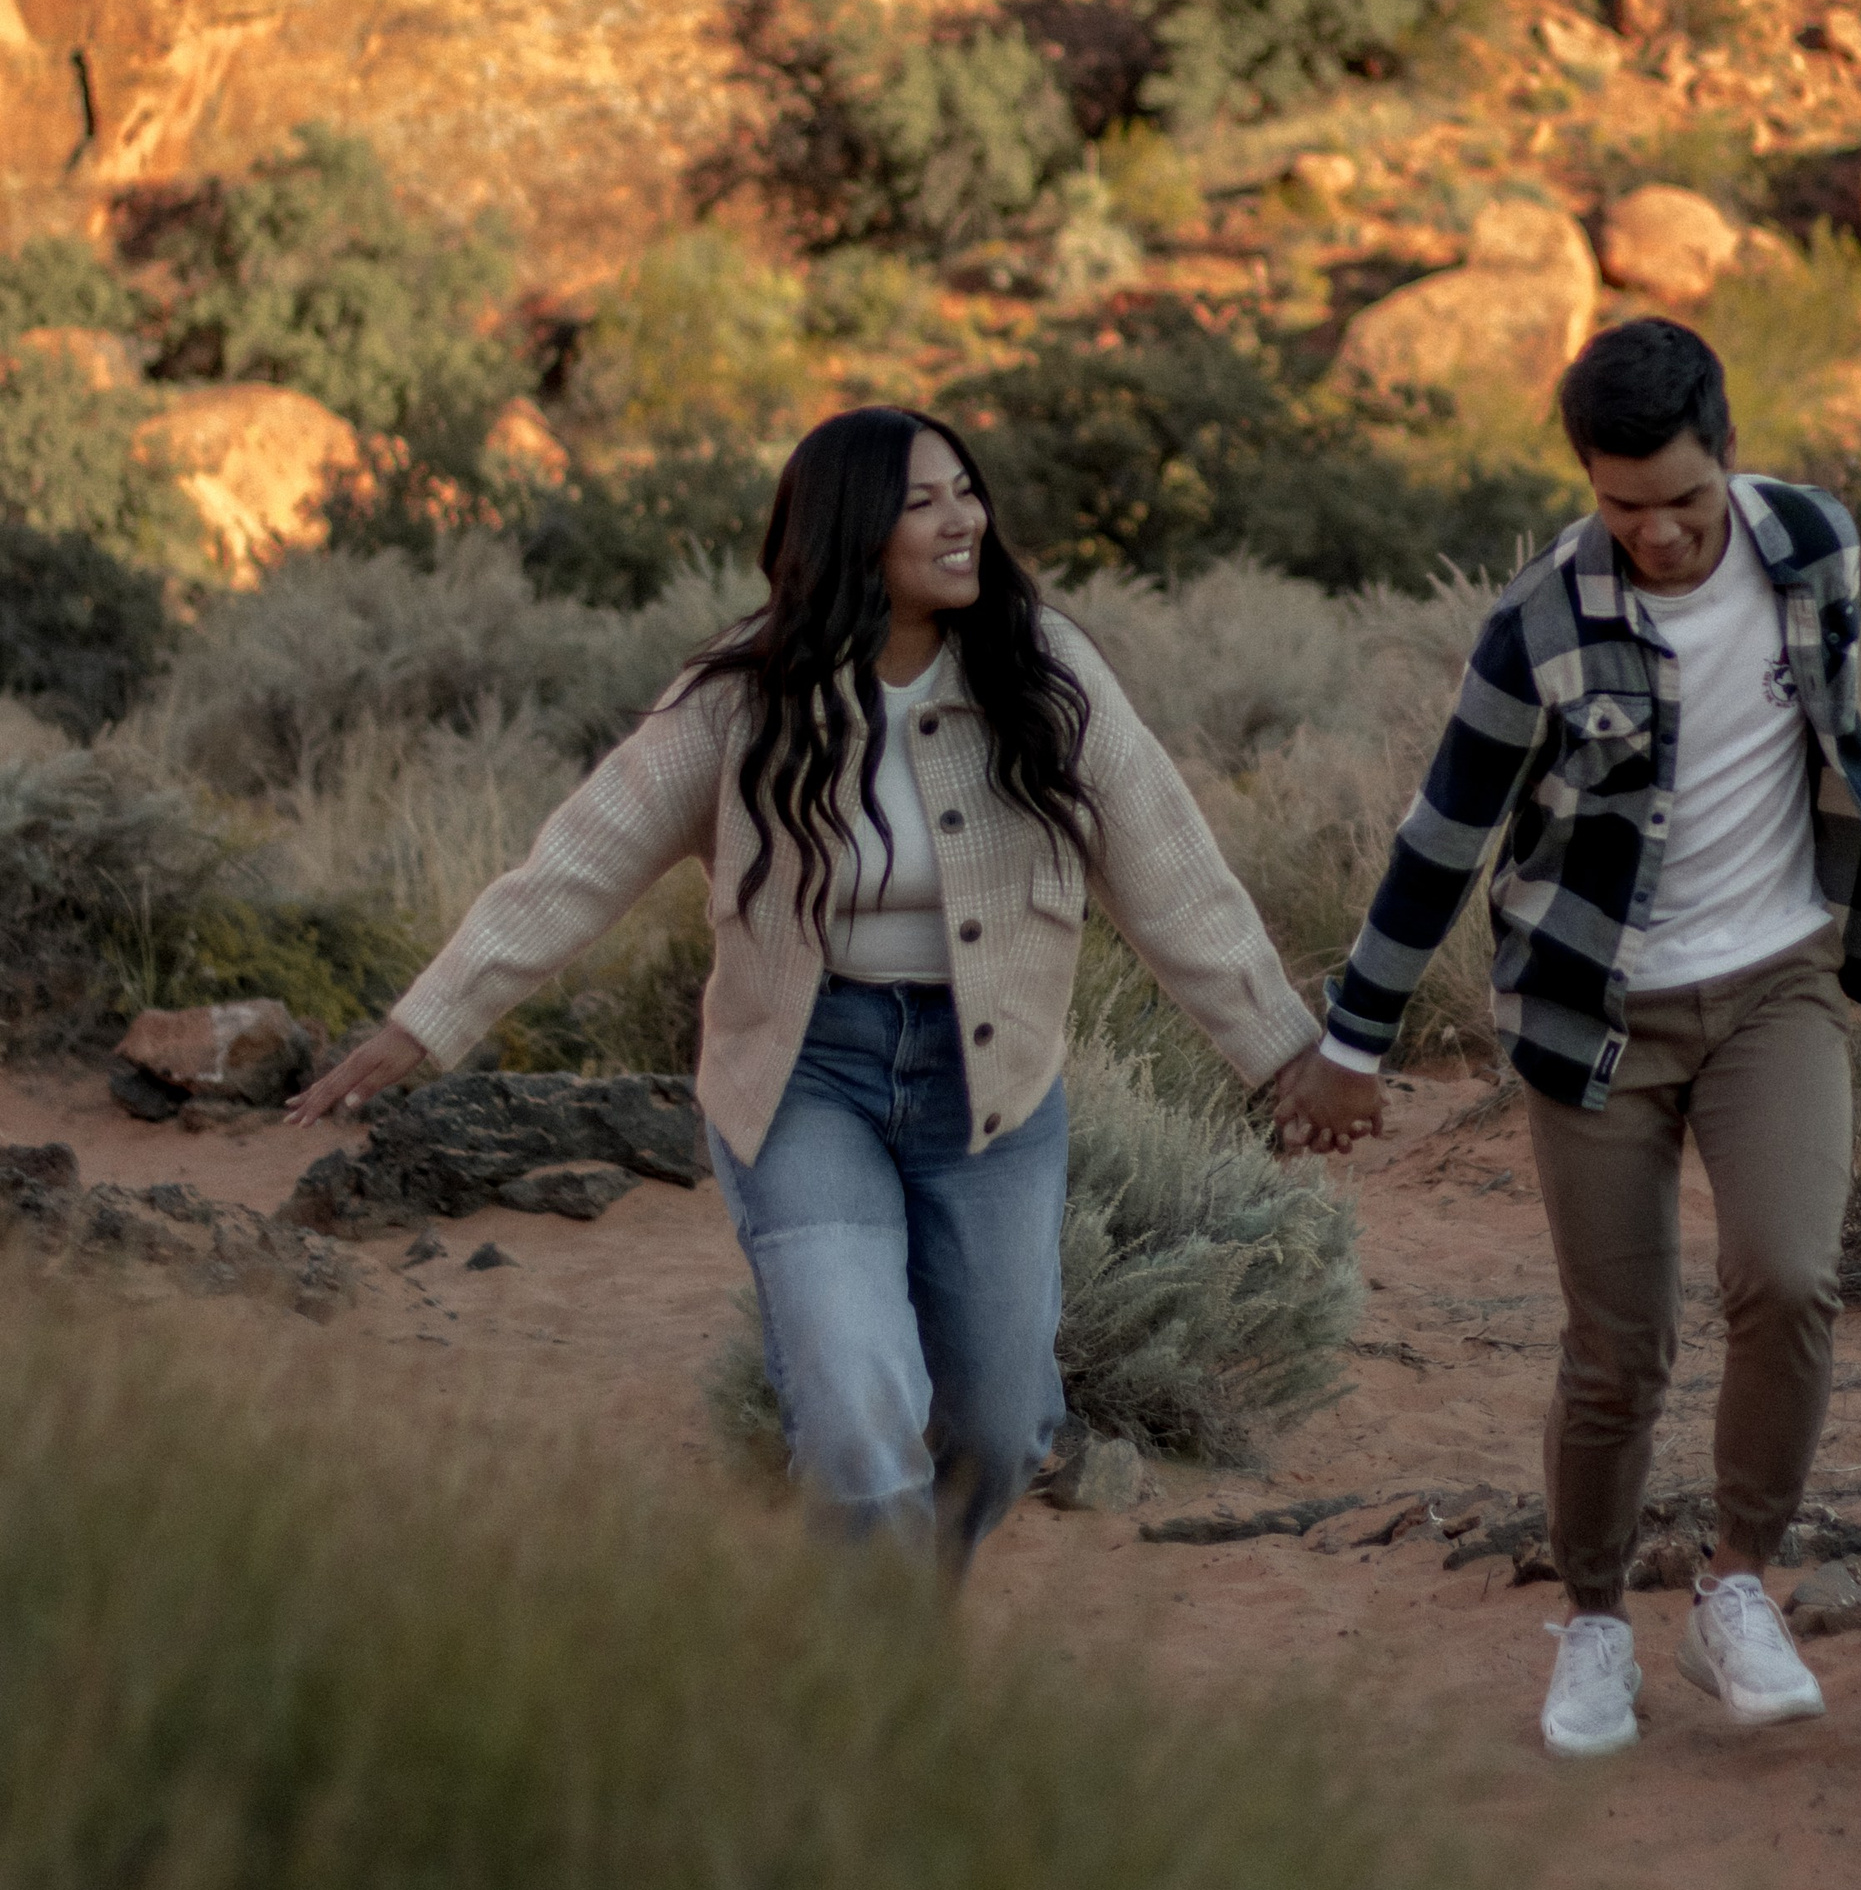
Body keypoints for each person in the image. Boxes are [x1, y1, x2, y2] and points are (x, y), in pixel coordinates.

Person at [290, 406, 1326, 1568]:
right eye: (922, 500)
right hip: (803, 1074)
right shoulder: (742, 695)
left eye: (966, 491)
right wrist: (423, 1023)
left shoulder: (1043, 667)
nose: (962, 518)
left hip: (989, 1086)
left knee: (998, 1422)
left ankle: (906, 1609)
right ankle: (874, 1691)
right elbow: (578, 863)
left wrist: (1286, 1049)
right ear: (847, 530)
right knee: (853, 1411)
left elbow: (1167, 866)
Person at [1274, 316, 1861, 1752]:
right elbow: (1442, 839)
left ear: (1733, 459)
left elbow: (1834, 726)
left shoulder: (1816, 545)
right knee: (1617, 1348)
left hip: (1777, 982)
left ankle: (1736, 1586)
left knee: (1792, 1276)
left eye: (1684, 503)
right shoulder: (1537, 623)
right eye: (1621, 505)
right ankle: (1589, 1621)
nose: (1657, 535)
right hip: (1593, 1013)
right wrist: (1355, 1037)